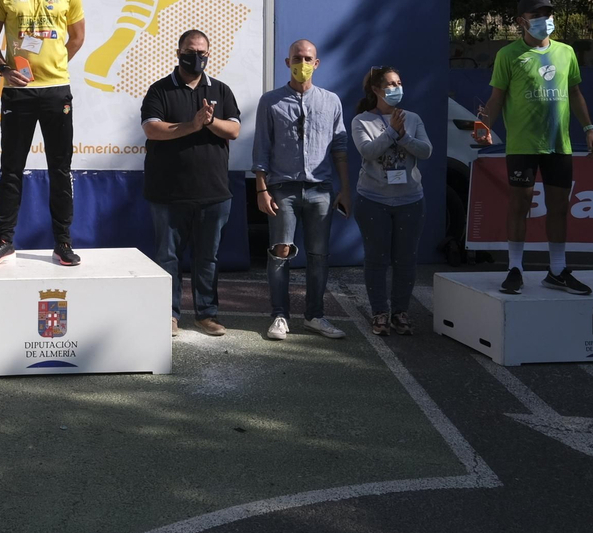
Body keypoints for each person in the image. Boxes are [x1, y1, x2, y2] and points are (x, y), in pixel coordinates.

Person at [0, 0, 86, 267]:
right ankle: (4, 240)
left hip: (56, 91)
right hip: (18, 93)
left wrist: (53, 65)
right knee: (11, 170)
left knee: (60, 169)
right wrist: (2, 69)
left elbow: (77, 37)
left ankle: (63, 243)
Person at [478, 0, 593, 295]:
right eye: (537, 15)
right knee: (520, 205)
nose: (545, 20)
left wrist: (589, 128)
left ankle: (557, 271)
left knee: (559, 208)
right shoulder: (508, 55)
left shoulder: (566, 52)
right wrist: (483, 126)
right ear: (521, 21)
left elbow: (575, 93)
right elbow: (496, 98)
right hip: (522, 145)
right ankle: (515, 269)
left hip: (560, 145)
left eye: (548, 14)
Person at [141, 30, 241, 336]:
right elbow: (153, 129)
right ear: (178, 52)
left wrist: (210, 122)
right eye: (190, 51)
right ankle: (169, 314)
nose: (196, 57)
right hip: (168, 192)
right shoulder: (160, 90)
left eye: (201, 52)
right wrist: (191, 125)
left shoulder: (220, 91)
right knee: (167, 257)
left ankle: (206, 314)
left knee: (207, 257)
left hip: (213, 192)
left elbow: (234, 130)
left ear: (209, 55)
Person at [251, 39, 352, 340]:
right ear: (287, 62)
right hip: (283, 188)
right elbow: (261, 149)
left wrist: (345, 188)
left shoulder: (331, 100)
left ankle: (315, 316)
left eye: (308, 58)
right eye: (298, 58)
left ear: (317, 64)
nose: (303, 63)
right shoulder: (270, 101)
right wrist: (261, 189)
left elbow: (341, 147)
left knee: (319, 255)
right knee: (280, 252)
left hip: (321, 189)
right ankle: (280, 316)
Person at [351, 66, 432, 336]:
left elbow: (426, 150)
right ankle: (379, 313)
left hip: (410, 199)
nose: (396, 88)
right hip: (373, 200)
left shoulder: (413, 118)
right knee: (376, 258)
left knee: (406, 259)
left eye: (399, 82)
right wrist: (391, 133)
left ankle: (400, 312)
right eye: (390, 84)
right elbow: (369, 151)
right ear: (376, 90)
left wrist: (404, 135)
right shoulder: (362, 121)